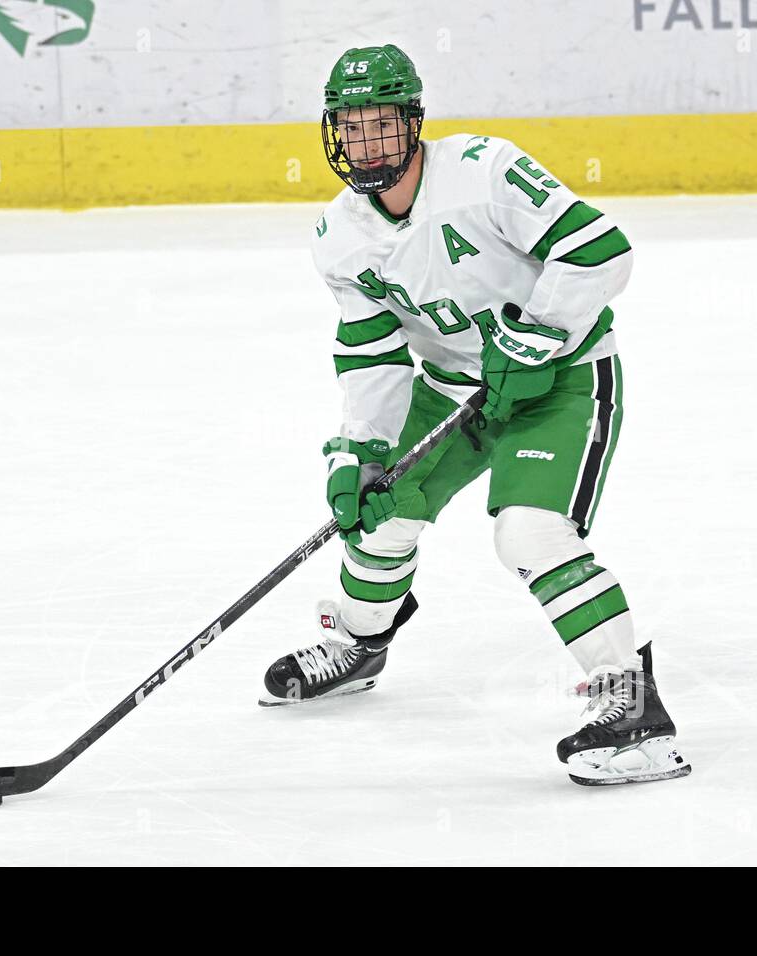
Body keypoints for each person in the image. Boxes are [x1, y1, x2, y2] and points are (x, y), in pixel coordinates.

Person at [259, 44, 690, 786]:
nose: (367, 145)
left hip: (561, 379)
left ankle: (635, 708)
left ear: (414, 124)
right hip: (454, 387)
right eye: (351, 129)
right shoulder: (338, 236)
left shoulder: (485, 172)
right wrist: (357, 451)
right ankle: (363, 645)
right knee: (381, 512)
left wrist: (536, 338)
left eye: (383, 127)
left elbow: (600, 250)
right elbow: (372, 359)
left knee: (527, 531)